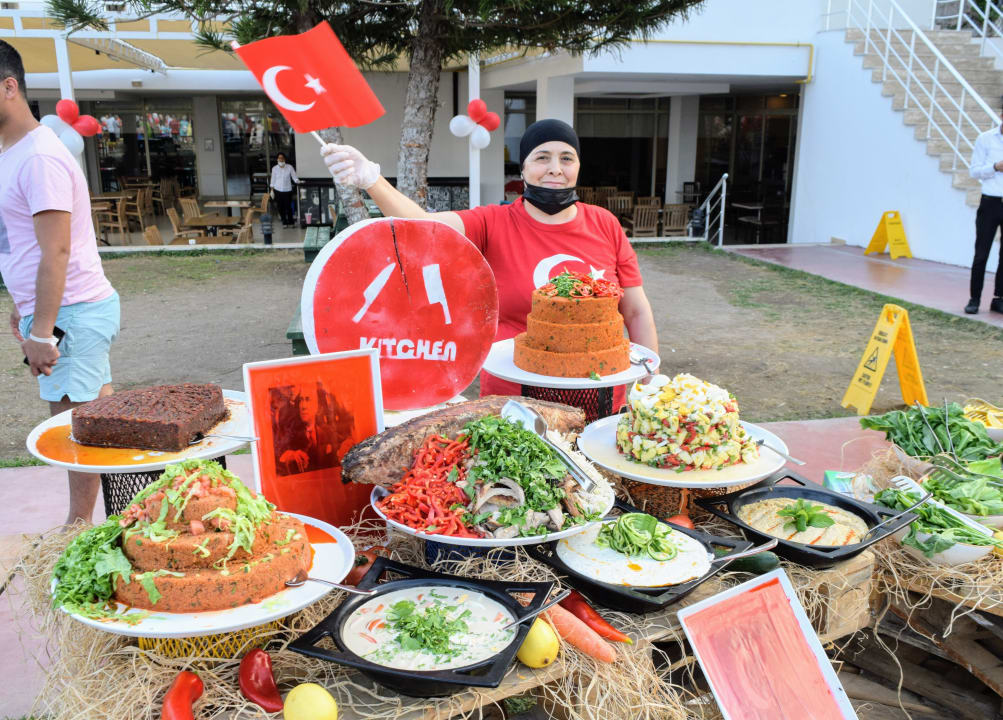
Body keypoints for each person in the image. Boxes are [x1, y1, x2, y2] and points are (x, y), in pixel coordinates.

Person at [320, 119, 658, 404]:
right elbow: (424, 225)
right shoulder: (492, 223)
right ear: (523, 168)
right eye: (542, 157)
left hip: (598, 395)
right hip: (514, 402)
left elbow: (636, 311)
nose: (555, 168)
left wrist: (649, 381)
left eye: (567, 158)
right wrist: (372, 180)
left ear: (578, 167)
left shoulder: (605, 224)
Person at [0, 40, 120, 524]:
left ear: (9, 87)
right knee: (93, 426)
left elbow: (57, 249)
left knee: (79, 431)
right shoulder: (15, 151)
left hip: (70, 313)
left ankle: (77, 529)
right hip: (60, 309)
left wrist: (42, 332)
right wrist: (24, 304)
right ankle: (97, 524)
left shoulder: (39, 158)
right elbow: (23, 242)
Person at [967, 121, 1003, 315]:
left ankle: (999, 299)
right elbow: (974, 171)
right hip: (990, 203)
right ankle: (974, 299)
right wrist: (995, 167)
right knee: (982, 252)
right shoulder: (986, 139)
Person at [273, 382, 341, 476]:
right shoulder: (291, 433)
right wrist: (290, 455)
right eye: (301, 400)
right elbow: (278, 457)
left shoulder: (327, 433)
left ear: (319, 407)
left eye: (308, 400)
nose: (303, 406)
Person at [270, 152, 299, 227]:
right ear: (277, 159)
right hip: (278, 190)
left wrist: (298, 182)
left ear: (284, 159)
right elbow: (273, 180)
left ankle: (291, 222)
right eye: (279, 158)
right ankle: (284, 222)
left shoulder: (290, 167)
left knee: (288, 207)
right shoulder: (274, 168)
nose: (281, 159)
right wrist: (272, 190)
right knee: (280, 207)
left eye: (282, 158)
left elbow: (294, 177)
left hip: (288, 190)